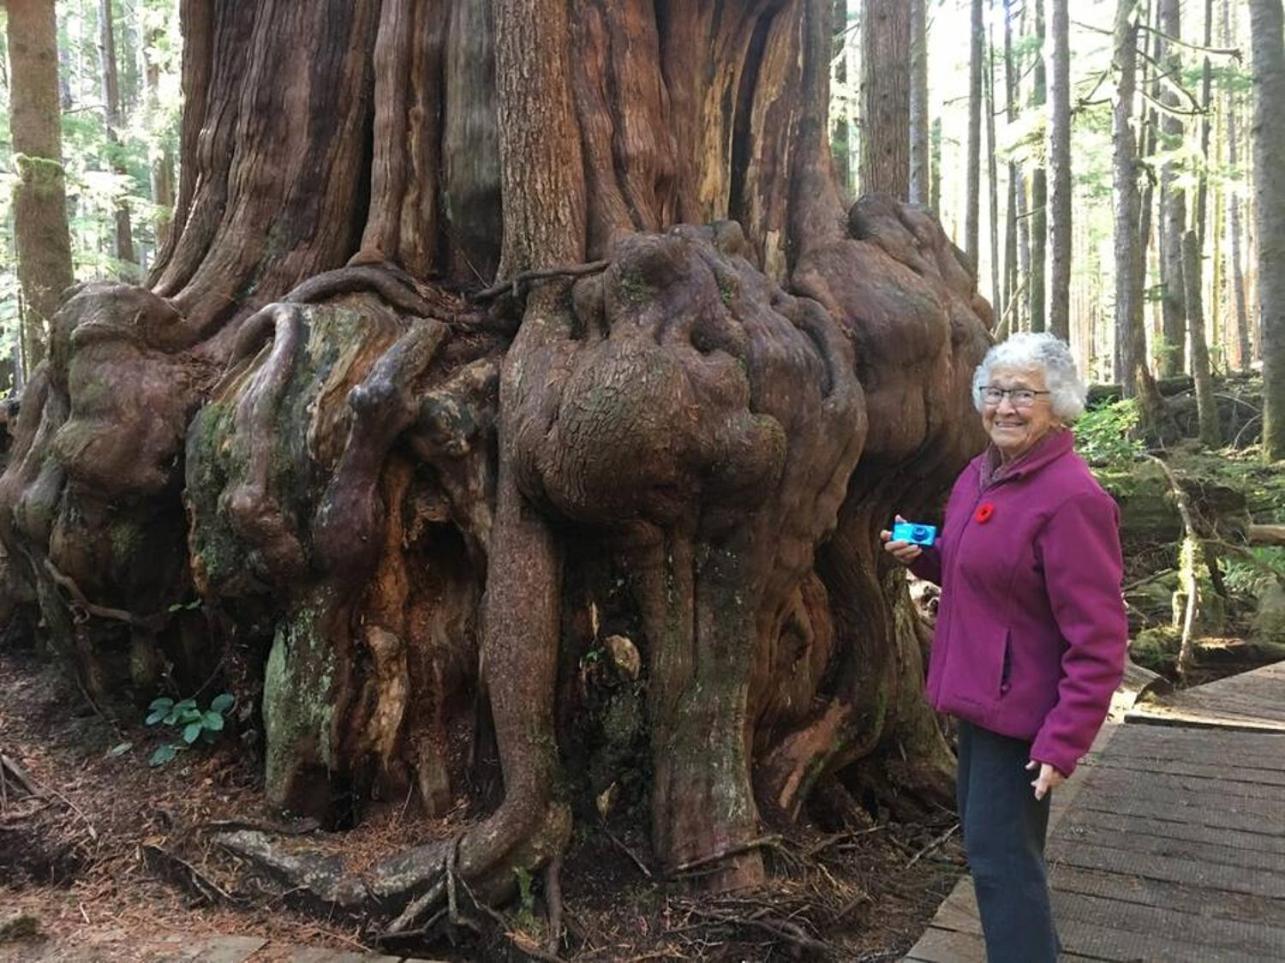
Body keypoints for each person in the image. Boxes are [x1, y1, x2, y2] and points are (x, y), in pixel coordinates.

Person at [881, 332, 1127, 962]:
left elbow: (1099, 642)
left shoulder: (1073, 499)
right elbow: (987, 571)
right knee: (1000, 858)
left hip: (1023, 719)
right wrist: (928, 555)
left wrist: (1063, 741)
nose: (1005, 407)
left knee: (1000, 866)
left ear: (1060, 404)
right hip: (979, 703)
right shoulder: (981, 473)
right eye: (995, 391)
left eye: (1024, 394)